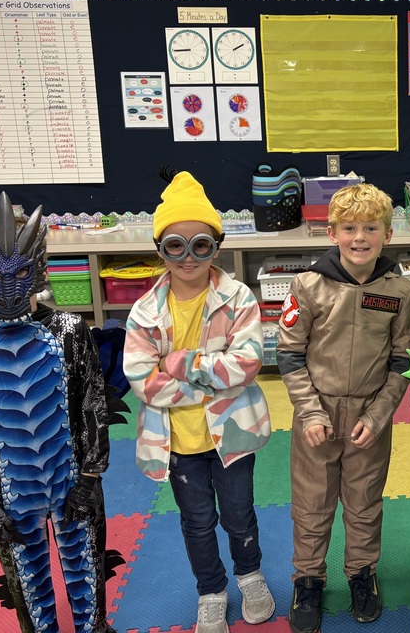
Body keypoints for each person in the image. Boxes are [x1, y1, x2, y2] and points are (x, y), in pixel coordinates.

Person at [0, 193, 118, 633]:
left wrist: (90, 476)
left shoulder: (70, 332)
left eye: (19, 273)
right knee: (29, 591)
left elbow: (93, 404)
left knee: (87, 574)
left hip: (72, 480)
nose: (8, 286)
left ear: (39, 268)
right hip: (8, 494)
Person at [124, 170, 273, 633]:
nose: (188, 257)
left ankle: (250, 577)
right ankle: (211, 590)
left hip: (231, 434)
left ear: (217, 247)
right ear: (160, 249)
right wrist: (212, 378)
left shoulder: (238, 298)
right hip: (177, 442)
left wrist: (183, 362)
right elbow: (142, 381)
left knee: (239, 515)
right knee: (197, 522)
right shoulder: (145, 312)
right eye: (176, 245)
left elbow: (248, 363)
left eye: (201, 245)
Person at [277, 183, 410, 633]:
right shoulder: (308, 285)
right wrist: (309, 412)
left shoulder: (399, 290)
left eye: (370, 228)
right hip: (315, 415)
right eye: (350, 228)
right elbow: (290, 355)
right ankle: (308, 580)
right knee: (312, 504)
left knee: (364, 503)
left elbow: (403, 361)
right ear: (332, 233)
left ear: (387, 235)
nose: (360, 237)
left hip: (369, 419)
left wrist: (379, 416)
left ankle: (361, 573)